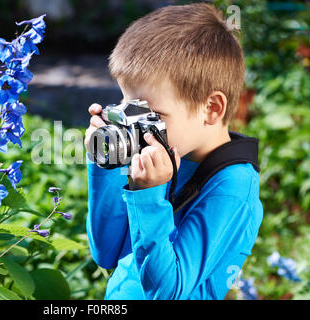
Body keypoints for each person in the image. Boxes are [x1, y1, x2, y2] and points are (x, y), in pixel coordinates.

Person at [84, 2, 264, 300]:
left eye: (150, 114)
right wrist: (106, 163)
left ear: (211, 109)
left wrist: (148, 195)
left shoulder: (232, 188)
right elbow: (107, 252)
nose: (133, 125)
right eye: (129, 107)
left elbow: (168, 292)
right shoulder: (161, 152)